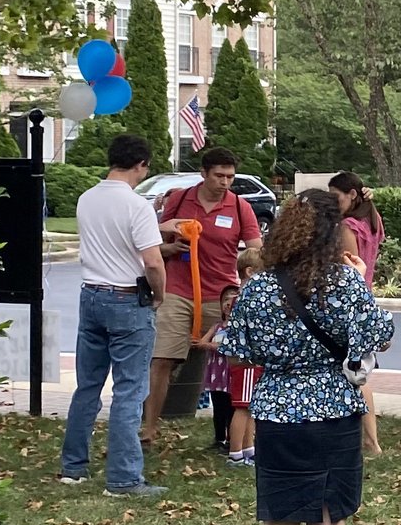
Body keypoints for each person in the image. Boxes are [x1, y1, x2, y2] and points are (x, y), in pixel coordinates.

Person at [214, 190, 396, 525]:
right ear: (332, 230)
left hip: (273, 411)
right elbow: (380, 334)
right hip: (332, 409)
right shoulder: (343, 282)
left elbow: (236, 347)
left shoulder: (259, 286)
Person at [59, 133, 170, 498]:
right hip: (127, 298)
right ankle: (123, 479)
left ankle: (73, 466)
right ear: (141, 164)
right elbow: (152, 260)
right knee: (129, 391)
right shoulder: (137, 206)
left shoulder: (87, 198)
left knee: (88, 385)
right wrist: (159, 293)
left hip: (90, 294)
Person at [143, 145, 263, 441]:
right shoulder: (181, 199)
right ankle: (149, 425)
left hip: (220, 294)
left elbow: (256, 250)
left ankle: (226, 434)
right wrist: (169, 248)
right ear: (203, 174)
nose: (224, 182)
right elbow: (151, 237)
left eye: (230, 177)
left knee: (231, 361)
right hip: (177, 289)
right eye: (219, 176)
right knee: (162, 359)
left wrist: (251, 276)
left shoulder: (239, 207)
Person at [328, 172, 386, 455]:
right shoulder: (372, 219)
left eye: (336, 196)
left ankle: (370, 440)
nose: (332, 202)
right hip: (367, 296)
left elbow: (350, 267)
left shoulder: (348, 226)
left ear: (352, 194)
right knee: (358, 371)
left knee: (355, 372)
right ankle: (367, 440)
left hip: (352, 300)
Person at [203, 285, 258, 469]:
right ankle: (235, 453)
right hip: (246, 364)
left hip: (250, 364)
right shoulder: (243, 300)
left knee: (249, 409)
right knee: (242, 409)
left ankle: (249, 449)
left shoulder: (247, 297)